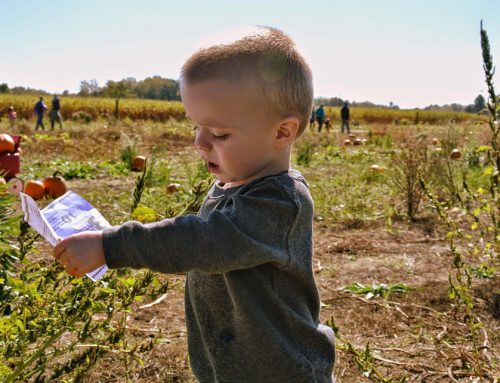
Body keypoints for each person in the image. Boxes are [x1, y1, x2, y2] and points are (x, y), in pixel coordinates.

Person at [53, 27, 335, 383]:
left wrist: (112, 245)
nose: (200, 142)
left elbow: (206, 242)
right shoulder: (230, 187)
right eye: (197, 127)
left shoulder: (280, 201)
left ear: (282, 133)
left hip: (285, 371)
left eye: (219, 134)